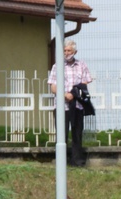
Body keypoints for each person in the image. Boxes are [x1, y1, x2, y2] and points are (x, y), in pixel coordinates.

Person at [47, 39, 92, 167]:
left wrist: (73, 93)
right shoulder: (57, 66)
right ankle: (62, 161)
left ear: (75, 52)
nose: (67, 53)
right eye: (65, 51)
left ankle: (77, 161)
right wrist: (64, 95)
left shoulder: (81, 65)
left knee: (77, 133)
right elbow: (53, 86)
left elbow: (85, 82)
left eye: (69, 51)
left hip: (77, 104)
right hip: (62, 105)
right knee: (62, 133)